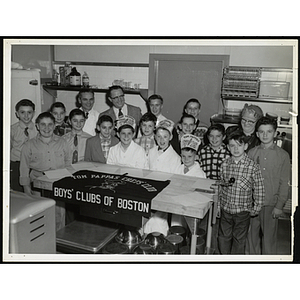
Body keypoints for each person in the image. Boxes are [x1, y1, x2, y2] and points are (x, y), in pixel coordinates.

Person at [19, 112, 72, 231]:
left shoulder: (63, 142)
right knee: (39, 216)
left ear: (54, 126)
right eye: (43, 124)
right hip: (36, 184)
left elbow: (68, 163)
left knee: (59, 215)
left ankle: (58, 242)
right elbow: (24, 168)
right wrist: (26, 188)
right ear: (37, 126)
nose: (46, 128)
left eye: (50, 124)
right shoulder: (29, 145)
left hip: (58, 183)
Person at [246, 117, 291, 255]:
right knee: (251, 237)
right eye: (261, 132)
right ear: (257, 134)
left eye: (269, 131)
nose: (265, 135)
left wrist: (279, 206)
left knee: (269, 239)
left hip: (271, 204)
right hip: (253, 203)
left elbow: (284, 183)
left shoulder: (283, 155)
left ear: (275, 133)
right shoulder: (251, 153)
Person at [218, 131, 265, 254]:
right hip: (226, 209)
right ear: (228, 147)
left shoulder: (253, 166)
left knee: (239, 239)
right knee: (224, 237)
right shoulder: (224, 164)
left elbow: (259, 188)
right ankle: (224, 259)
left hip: (243, 211)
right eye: (232, 145)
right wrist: (218, 205)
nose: (236, 148)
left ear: (245, 146)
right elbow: (221, 186)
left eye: (239, 145)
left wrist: (257, 206)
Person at [10, 99, 37, 191]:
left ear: (33, 113)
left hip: (32, 164)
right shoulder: (12, 130)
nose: (26, 116)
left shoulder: (38, 129)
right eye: (22, 112)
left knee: (33, 191)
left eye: (29, 112)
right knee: (18, 191)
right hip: (16, 164)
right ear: (17, 114)